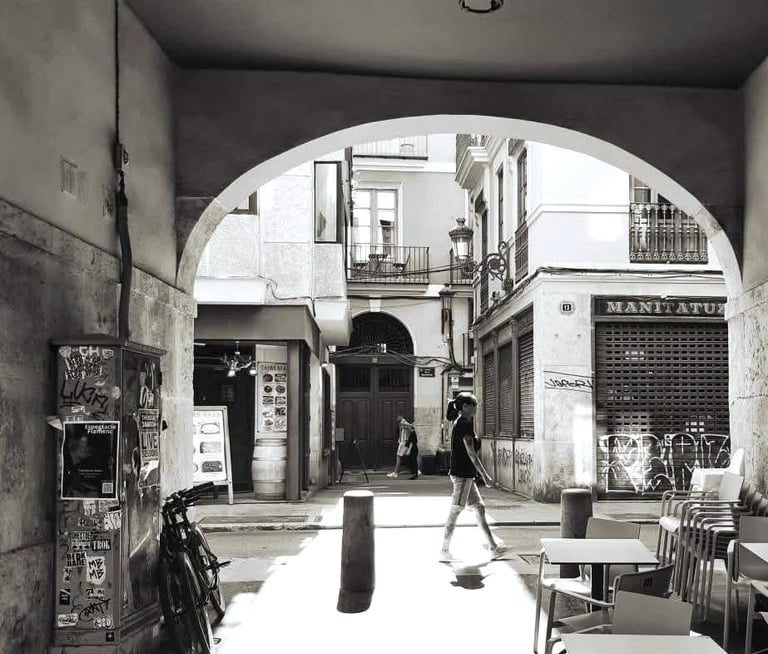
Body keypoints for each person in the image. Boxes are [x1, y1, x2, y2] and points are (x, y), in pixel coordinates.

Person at [439, 392, 509, 562]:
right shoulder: (464, 424)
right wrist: (485, 476)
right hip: (462, 474)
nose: (477, 407)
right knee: (455, 511)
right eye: (474, 404)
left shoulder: (462, 422)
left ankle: (493, 547)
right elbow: (471, 453)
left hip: (466, 474)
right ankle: (444, 550)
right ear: (465, 406)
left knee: (479, 508)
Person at [387, 414, 420, 479]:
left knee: (398, 456)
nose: (396, 419)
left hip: (403, 441)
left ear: (400, 417)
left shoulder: (403, 422)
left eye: (397, 417)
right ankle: (416, 470)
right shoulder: (402, 423)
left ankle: (395, 473)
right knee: (407, 457)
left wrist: (413, 425)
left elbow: (411, 426)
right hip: (404, 441)